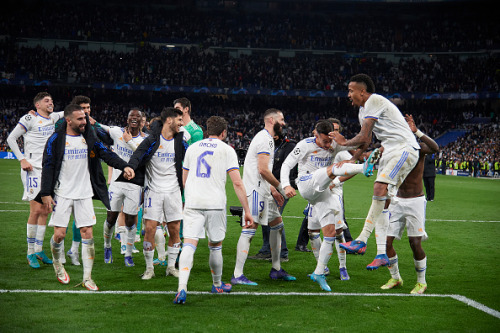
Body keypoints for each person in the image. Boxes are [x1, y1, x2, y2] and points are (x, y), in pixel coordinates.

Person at [37, 104, 134, 290]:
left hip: (84, 193)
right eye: (80, 119)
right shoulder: (56, 139)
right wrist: (46, 193)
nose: (84, 121)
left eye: (85, 117)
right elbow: (48, 165)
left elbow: (106, 153)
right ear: (68, 120)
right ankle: (58, 266)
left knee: (87, 234)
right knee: (59, 235)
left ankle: (87, 277)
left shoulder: (89, 137)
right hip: (62, 193)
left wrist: (124, 166)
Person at [335, 74, 420, 270]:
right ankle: (382, 253)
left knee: (379, 187)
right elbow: (366, 141)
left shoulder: (375, 100)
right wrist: (354, 158)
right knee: (384, 201)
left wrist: (344, 143)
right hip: (389, 150)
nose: (348, 94)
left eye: (351, 90)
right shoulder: (363, 111)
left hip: (403, 149)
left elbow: (363, 135)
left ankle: (362, 239)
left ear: (362, 91)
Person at [281, 120, 377, 291]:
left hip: (323, 191)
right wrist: (285, 185)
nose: (327, 145)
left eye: (329, 141)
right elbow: (287, 165)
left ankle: (319, 272)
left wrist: (346, 142)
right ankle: (364, 168)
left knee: (330, 233)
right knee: (333, 168)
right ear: (315, 134)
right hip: (306, 183)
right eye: (324, 141)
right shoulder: (304, 145)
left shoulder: (334, 144)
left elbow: (363, 145)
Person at [173, 116, 253, 304]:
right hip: (215, 204)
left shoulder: (192, 148)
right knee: (215, 245)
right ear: (224, 132)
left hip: (193, 201)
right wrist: (247, 210)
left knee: (189, 245)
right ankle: (217, 284)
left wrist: (189, 197)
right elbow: (237, 182)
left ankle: (182, 287)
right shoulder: (227, 150)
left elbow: (184, 178)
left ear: (207, 130)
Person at [231, 108, 295, 286]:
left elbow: (261, 171)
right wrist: (281, 187)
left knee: (278, 225)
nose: (283, 123)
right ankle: (237, 274)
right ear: (271, 120)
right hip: (256, 192)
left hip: (263, 190)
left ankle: (276, 269)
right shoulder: (265, 139)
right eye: (281, 120)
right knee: (249, 230)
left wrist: (272, 190)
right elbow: (263, 170)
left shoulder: (265, 138)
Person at [120, 107, 186, 280]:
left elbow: (189, 160)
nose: (182, 123)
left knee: (175, 229)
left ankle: (171, 266)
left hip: (174, 191)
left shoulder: (181, 141)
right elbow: (138, 155)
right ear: (169, 120)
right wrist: (130, 168)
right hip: (154, 191)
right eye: (179, 120)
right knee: (150, 229)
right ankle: (149, 268)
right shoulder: (151, 140)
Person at [381, 114, 439, 294]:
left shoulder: (419, 148)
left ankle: (421, 282)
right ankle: (396, 278)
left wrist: (418, 131)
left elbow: (435, 148)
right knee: (386, 242)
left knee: (415, 243)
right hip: (397, 200)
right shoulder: (394, 149)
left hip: (415, 201)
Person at [6, 92, 62, 268]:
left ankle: (39, 249)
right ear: (37, 105)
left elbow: (68, 112)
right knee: (36, 210)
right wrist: (22, 159)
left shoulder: (53, 117)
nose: (50, 103)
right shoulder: (29, 119)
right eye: (47, 101)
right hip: (33, 169)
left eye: (52, 101)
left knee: (46, 208)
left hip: (48, 169)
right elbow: (11, 138)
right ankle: (30, 252)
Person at [100, 108, 146, 267]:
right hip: (117, 184)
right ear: (127, 120)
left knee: (130, 220)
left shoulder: (145, 139)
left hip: (134, 184)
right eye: (131, 116)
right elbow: (96, 125)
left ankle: (128, 253)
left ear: (141, 121)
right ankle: (107, 246)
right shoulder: (115, 131)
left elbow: (144, 159)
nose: (134, 119)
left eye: (137, 117)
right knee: (111, 218)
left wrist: (128, 141)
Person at [248, 133, 295, 262]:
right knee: (268, 217)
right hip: (268, 185)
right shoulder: (272, 145)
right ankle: (268, 250)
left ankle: (281, 253)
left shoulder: (289, 146)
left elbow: (287, 168)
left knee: (274, 218)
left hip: (280, 186)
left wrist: (280, 186)